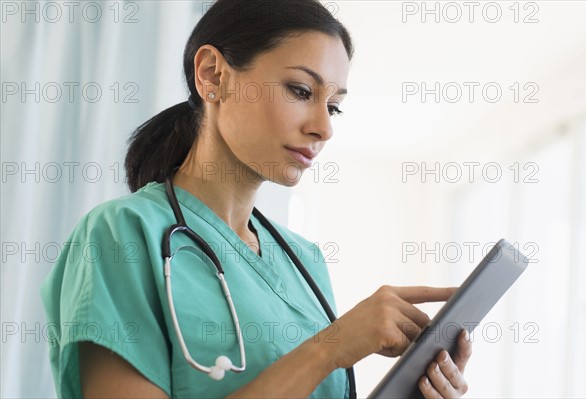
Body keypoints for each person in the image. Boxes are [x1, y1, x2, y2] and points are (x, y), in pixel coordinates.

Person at [40, 0, 472, 397]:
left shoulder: (307, 263)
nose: (324, 127)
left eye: (334, 106)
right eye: (301, 91)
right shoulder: (122, 236)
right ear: (212, 74)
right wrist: (329, 350)